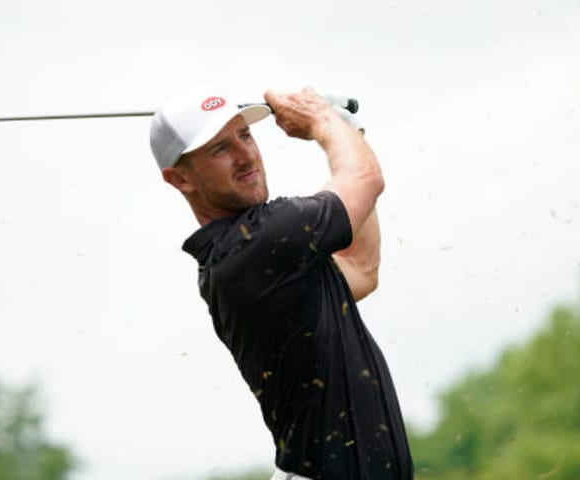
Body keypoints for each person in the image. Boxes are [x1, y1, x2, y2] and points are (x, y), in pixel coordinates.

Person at [149, 87, 414, 480]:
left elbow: (360, 268)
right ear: (180, 180)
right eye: (220, 149)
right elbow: (364, 179)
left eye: (245, 135)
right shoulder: (256, 243)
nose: (245, 155)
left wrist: (347, 130)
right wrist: (322, 119)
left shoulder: (261, 253)